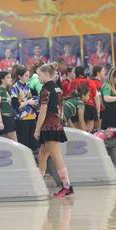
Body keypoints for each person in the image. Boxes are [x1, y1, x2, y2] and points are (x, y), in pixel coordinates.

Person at [34, 63, 72, 197]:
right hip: (56, 124)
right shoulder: (57, 88)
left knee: (56, 156)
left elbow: (43, 112)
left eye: (39, 74)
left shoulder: (45, 89)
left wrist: (37, 130)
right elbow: (60, 109)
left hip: (49, 126)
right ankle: (39, 184)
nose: (37, 77)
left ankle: (67, 186)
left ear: (45, 74)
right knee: (42, 155)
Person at [10, 65, 38, 150]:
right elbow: (16, 105)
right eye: (26, 76)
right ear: (19, 76)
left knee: (33, 143)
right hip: (21, 119)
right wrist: (28, 102)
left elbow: (32, 98)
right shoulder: (14, 87)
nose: (28, 77)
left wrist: (35, 102)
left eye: (29, 75)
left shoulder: (29, 86)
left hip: (32, 117)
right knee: (24, 143)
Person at [0, 71, 17, 142]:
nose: (10, 79)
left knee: (8, 142)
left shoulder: (5, 90)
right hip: (4, 118)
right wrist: (0, 122)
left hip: (9, 118)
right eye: (8, 77)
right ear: (2, 79)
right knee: (14, 141)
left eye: (10, 77)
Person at [90, 65, 106, 130]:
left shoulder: (93, 81)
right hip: (98, 108)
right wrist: (103, 106)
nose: (104, 72)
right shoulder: (97, 83)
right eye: (103, 71)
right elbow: (99, 98)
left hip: (94, 107)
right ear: (98, 73)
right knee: (97, 129)